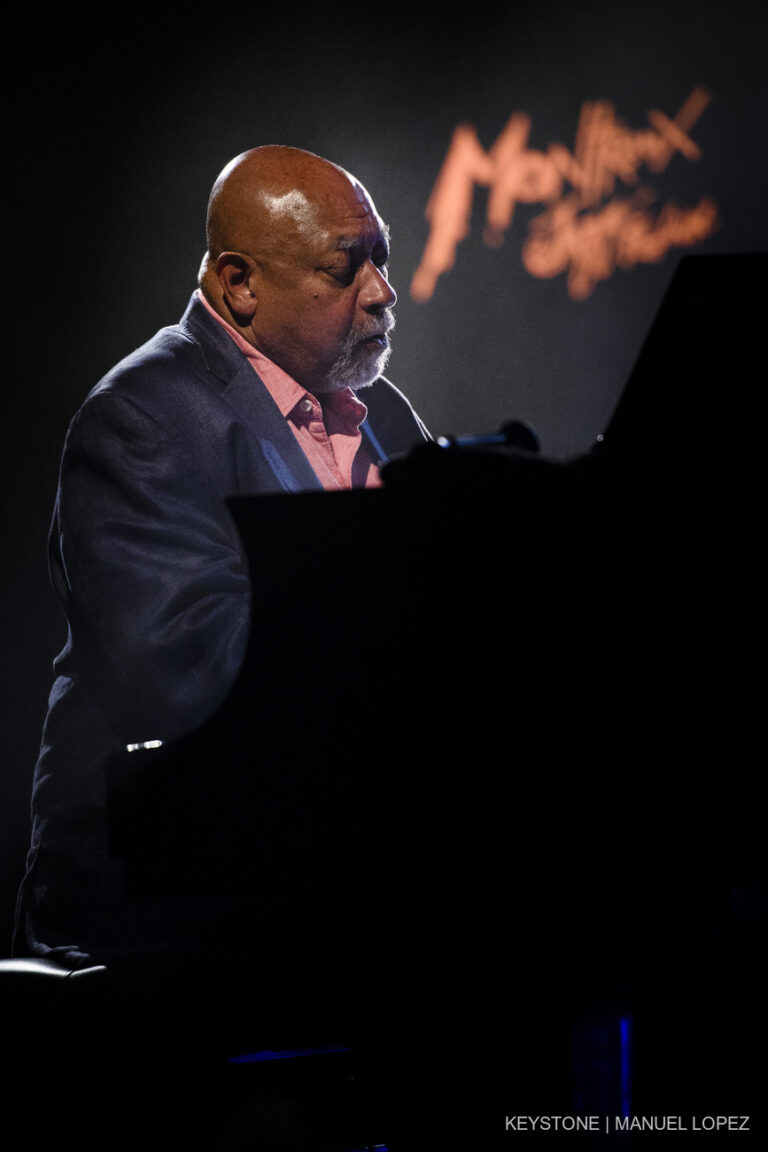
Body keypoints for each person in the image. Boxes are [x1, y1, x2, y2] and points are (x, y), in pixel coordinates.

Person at [13, 145, 431, 974]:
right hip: (160, 932)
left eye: (382, 257)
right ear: (239, 285)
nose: (383, 293)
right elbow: (190, 674)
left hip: (329, 893)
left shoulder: (381, 412)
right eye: (346, 267)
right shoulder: (139, 418)